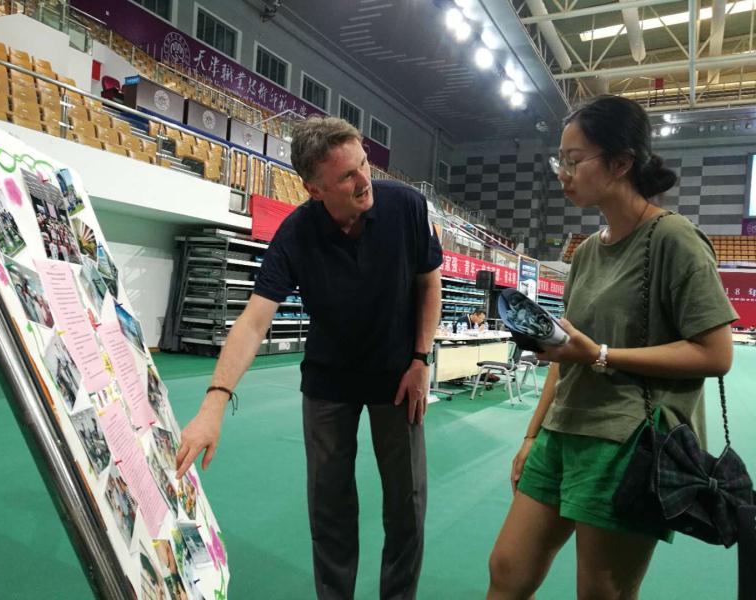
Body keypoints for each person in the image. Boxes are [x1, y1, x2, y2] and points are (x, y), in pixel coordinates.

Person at [177, 115, 443, 600]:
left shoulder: (406, 205)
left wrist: (421, 359)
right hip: (328, 382)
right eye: (347, 176)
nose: (364, 181)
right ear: (314, 189)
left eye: (364, 164)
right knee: (329, 506)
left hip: (398, 377)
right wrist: (213, 404)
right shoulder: (296, 234)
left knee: (406, 504)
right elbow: (253, 321)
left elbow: (429, 283)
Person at [487, 95, 737, 600]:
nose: (563, 173)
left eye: (574, 160)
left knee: (602, 592)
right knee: (507, 569)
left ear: (621, 163)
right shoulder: (584, 253)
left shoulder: (673, 239)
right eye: (560, 160)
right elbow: (566, 354)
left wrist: (601, 355)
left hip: (628, 443)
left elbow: (716, 354)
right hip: (562, 433)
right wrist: (533, 435)